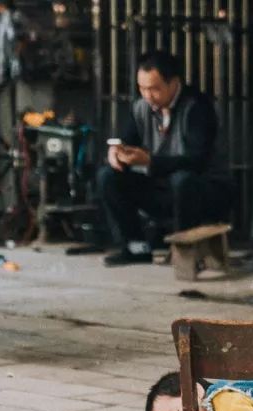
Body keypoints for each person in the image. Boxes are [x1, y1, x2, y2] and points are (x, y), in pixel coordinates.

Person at [98, 50, 231, 267]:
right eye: (142, 88)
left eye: (155, 89)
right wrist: (115, 151)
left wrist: (150, 161)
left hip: (204, 189)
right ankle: (135, 246)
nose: (148, 95)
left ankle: (185, 251)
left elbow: (197, 160)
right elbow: (123, 138)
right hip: (162, 187)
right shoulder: (142, 106)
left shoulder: (197, 107)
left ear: (173, 83)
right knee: (108, 176)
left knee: (183, 180)